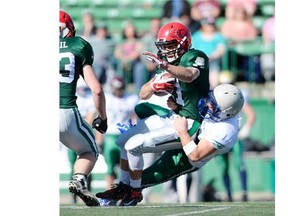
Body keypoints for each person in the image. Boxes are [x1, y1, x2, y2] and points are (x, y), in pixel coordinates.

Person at [96, 21, 210, 206]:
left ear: (183, 43)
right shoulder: (166, 64)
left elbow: (189, 75)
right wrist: (153, 85)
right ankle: (125, 186)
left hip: (190, 123)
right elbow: (142, 93)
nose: (167, 51)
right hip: (172, 116)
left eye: (170, 46)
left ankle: (133, 191)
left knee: (134, 145)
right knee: (123, 141)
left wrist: (165, 66)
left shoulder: (195, 56)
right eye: (163, 47)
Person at [99, 83, 245, 206]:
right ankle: (123, 188)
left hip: (186, 158)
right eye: (210, 100)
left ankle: (123, 196)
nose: (207, 105)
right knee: (140, 113)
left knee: (144, 178)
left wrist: (182, 131)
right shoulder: (219, 110)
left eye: (213, 106)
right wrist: (177, 109)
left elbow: (195, 155)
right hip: (188, 133)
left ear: (226, 113)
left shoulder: (225, 131)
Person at [59, 10, 108, 206]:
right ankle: (79, 180)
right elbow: (96, 89)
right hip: (64, 110)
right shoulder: (78, 45)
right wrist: (102, 118)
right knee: (90, 151)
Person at [217, 72, 256, 202]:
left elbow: (251, 114)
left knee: (239, 163)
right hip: (220, 133)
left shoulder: (239, 94)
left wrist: (246, 128)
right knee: (223, 165)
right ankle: (229, 194)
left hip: (234, 133)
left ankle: (244, 192)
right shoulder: (216, 95)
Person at [96, 76, 139, 190]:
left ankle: (122, 192)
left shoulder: (131, 99)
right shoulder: (107, 98)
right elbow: (100, 119)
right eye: (116, 88)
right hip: (110, 136)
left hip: (125, 136)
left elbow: (135, 117)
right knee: (110, 168)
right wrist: (99, 138)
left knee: (124, 168)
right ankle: (109, 192)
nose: (118, 91)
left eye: (120, 88)